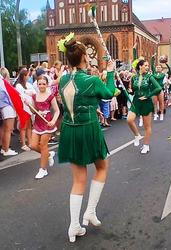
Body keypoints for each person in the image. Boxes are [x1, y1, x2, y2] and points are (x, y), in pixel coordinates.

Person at [57, 35, 118, 242]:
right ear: (84, 56)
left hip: (70, 130)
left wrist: (94, 109)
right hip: (88, 129)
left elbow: (74, 103)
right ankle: (90, 212)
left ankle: (74, 226)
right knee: (102, 167)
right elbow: (109, 94)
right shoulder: (91, 80)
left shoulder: (62, 79)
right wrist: (110, 72)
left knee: (78, 179)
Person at [127, 59, 162, 154]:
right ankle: (137, 135)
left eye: (147, 65)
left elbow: (158, 88)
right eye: (145, 65)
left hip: (146, 103)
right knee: (129, 120)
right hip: (136, 102)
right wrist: (130, 91)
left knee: (147, 126)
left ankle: (146, 145)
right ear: (140, 66)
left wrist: (147, 96)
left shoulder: (150, 77)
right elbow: (133, 90)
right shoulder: (134, 77)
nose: (147, 67)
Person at [29, 75, 60, 179]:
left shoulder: (50, 96)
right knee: (32, 145)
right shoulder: (34, 96)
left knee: (43, 145)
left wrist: (53, 121)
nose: (41, 86)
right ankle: (48, 154)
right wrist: (29, 105)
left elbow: (57, 111)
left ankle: (43, 169)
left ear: (47, 84)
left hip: (47, 124)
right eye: (39, 84)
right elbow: (33, 111)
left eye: (43, 84)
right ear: (37, 85)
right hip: (37, 124)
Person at [14, 69, 36, 151]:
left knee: (29, 126)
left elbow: (34, 92)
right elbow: (22, 93)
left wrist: (27, 92)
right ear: (23, 76)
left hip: (30, 108)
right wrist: (28, 92)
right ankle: (23, 144)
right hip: (23, 108)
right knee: (23, 126)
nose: (29, 77)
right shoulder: (18, 85)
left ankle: (30, 142)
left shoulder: (29, 84)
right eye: (27, 75)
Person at [0, 68, 18, 156]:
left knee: (4, 128)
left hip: (4, 107)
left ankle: (4, 148)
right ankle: (6, 149)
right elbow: (10, 96)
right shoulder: (4, 83)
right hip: (8, 107)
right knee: (8, 129)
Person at [151, 54, 169, 121]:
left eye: (159, 67)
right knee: (154, 103)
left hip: (160, 89)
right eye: (157, 67)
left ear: (161, 69)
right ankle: (155, 114)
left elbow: (159, 77)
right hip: (154, 90)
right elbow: (152, 65)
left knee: (161, 102)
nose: (158, 68)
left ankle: (161, 114)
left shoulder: (163, 74)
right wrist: (152, 59)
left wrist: (166, 64)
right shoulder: (154, 73)